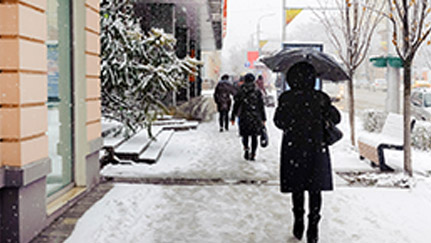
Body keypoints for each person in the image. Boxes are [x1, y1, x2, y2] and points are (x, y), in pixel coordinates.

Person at [273, 62, 341, 243]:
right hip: (316, 149)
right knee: (314, 188)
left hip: (293, 149)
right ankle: (313, 226)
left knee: (297, 187)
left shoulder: (287, 98)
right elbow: (336, 119)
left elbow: (279, 122)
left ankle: (298, 221)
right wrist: (325, 106)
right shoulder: (320, 98)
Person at [231, 73, 266, 161]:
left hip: (244, 116)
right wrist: (263, 118)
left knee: (245, 135)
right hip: (255, 116)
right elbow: (261, 106)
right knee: (254, 136)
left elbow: (236, 104)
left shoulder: (241, 90)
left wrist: (233, 116)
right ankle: (253, 153)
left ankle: (246, 148)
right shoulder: (257, 91)